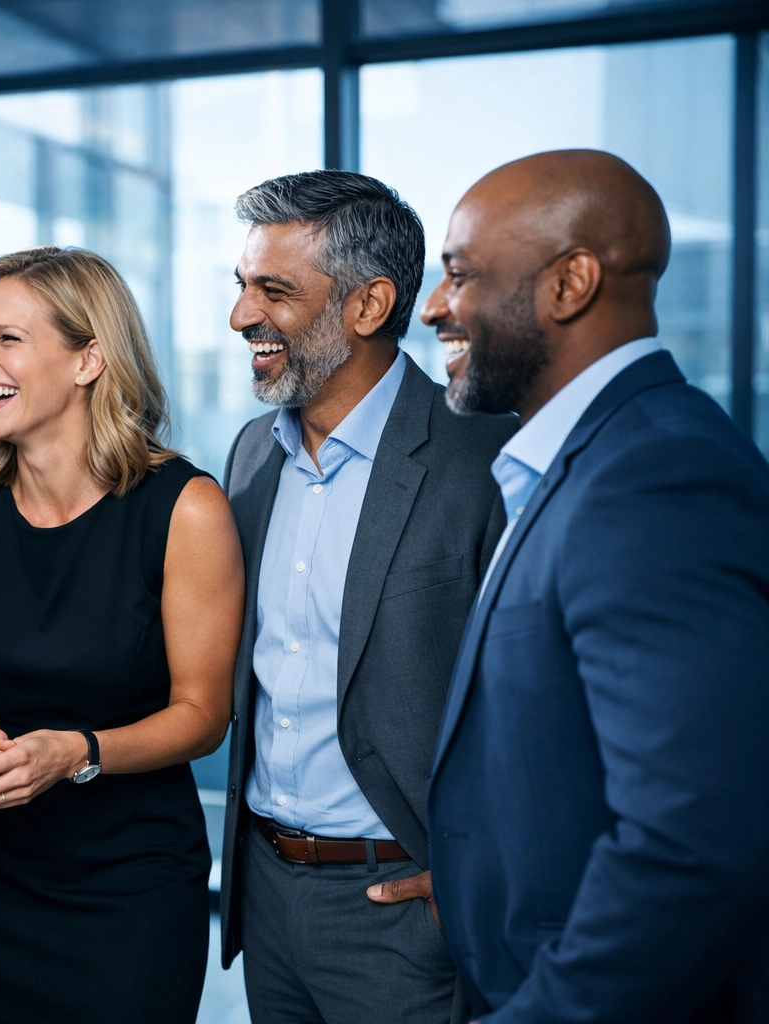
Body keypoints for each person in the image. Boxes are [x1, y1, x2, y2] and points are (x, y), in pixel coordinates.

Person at [426, 150, 769, 1021]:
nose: (435, 306)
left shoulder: (655, 475)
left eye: (460, 275)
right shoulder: (581, 464)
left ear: (570, 283)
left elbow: (689, 844)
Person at [0, 246, 245, 1024]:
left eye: (7, 340)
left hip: (128, 887)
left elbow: (203, 715)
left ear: (90, 357)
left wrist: (78, 753)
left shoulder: (186, 509)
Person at [216, 170, 514, 1024]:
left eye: (274, 291)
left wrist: (484, 873)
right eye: (241, 287)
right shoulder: (249, 456)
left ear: (369, 304)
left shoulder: (485, 458)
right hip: (266, 899)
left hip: (407, 911)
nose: (242, 317)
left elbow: (537, 702)